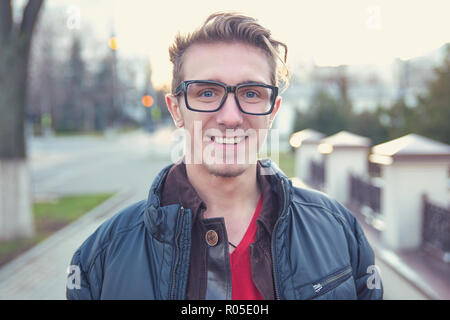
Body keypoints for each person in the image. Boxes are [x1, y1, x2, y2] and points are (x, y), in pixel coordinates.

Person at [66, 12, 383, 300]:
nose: (230, 117)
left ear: (272, 111)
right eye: (206, 92)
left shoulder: (340, 233)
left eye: (250, 93)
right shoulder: (101, 259)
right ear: (176, 109)